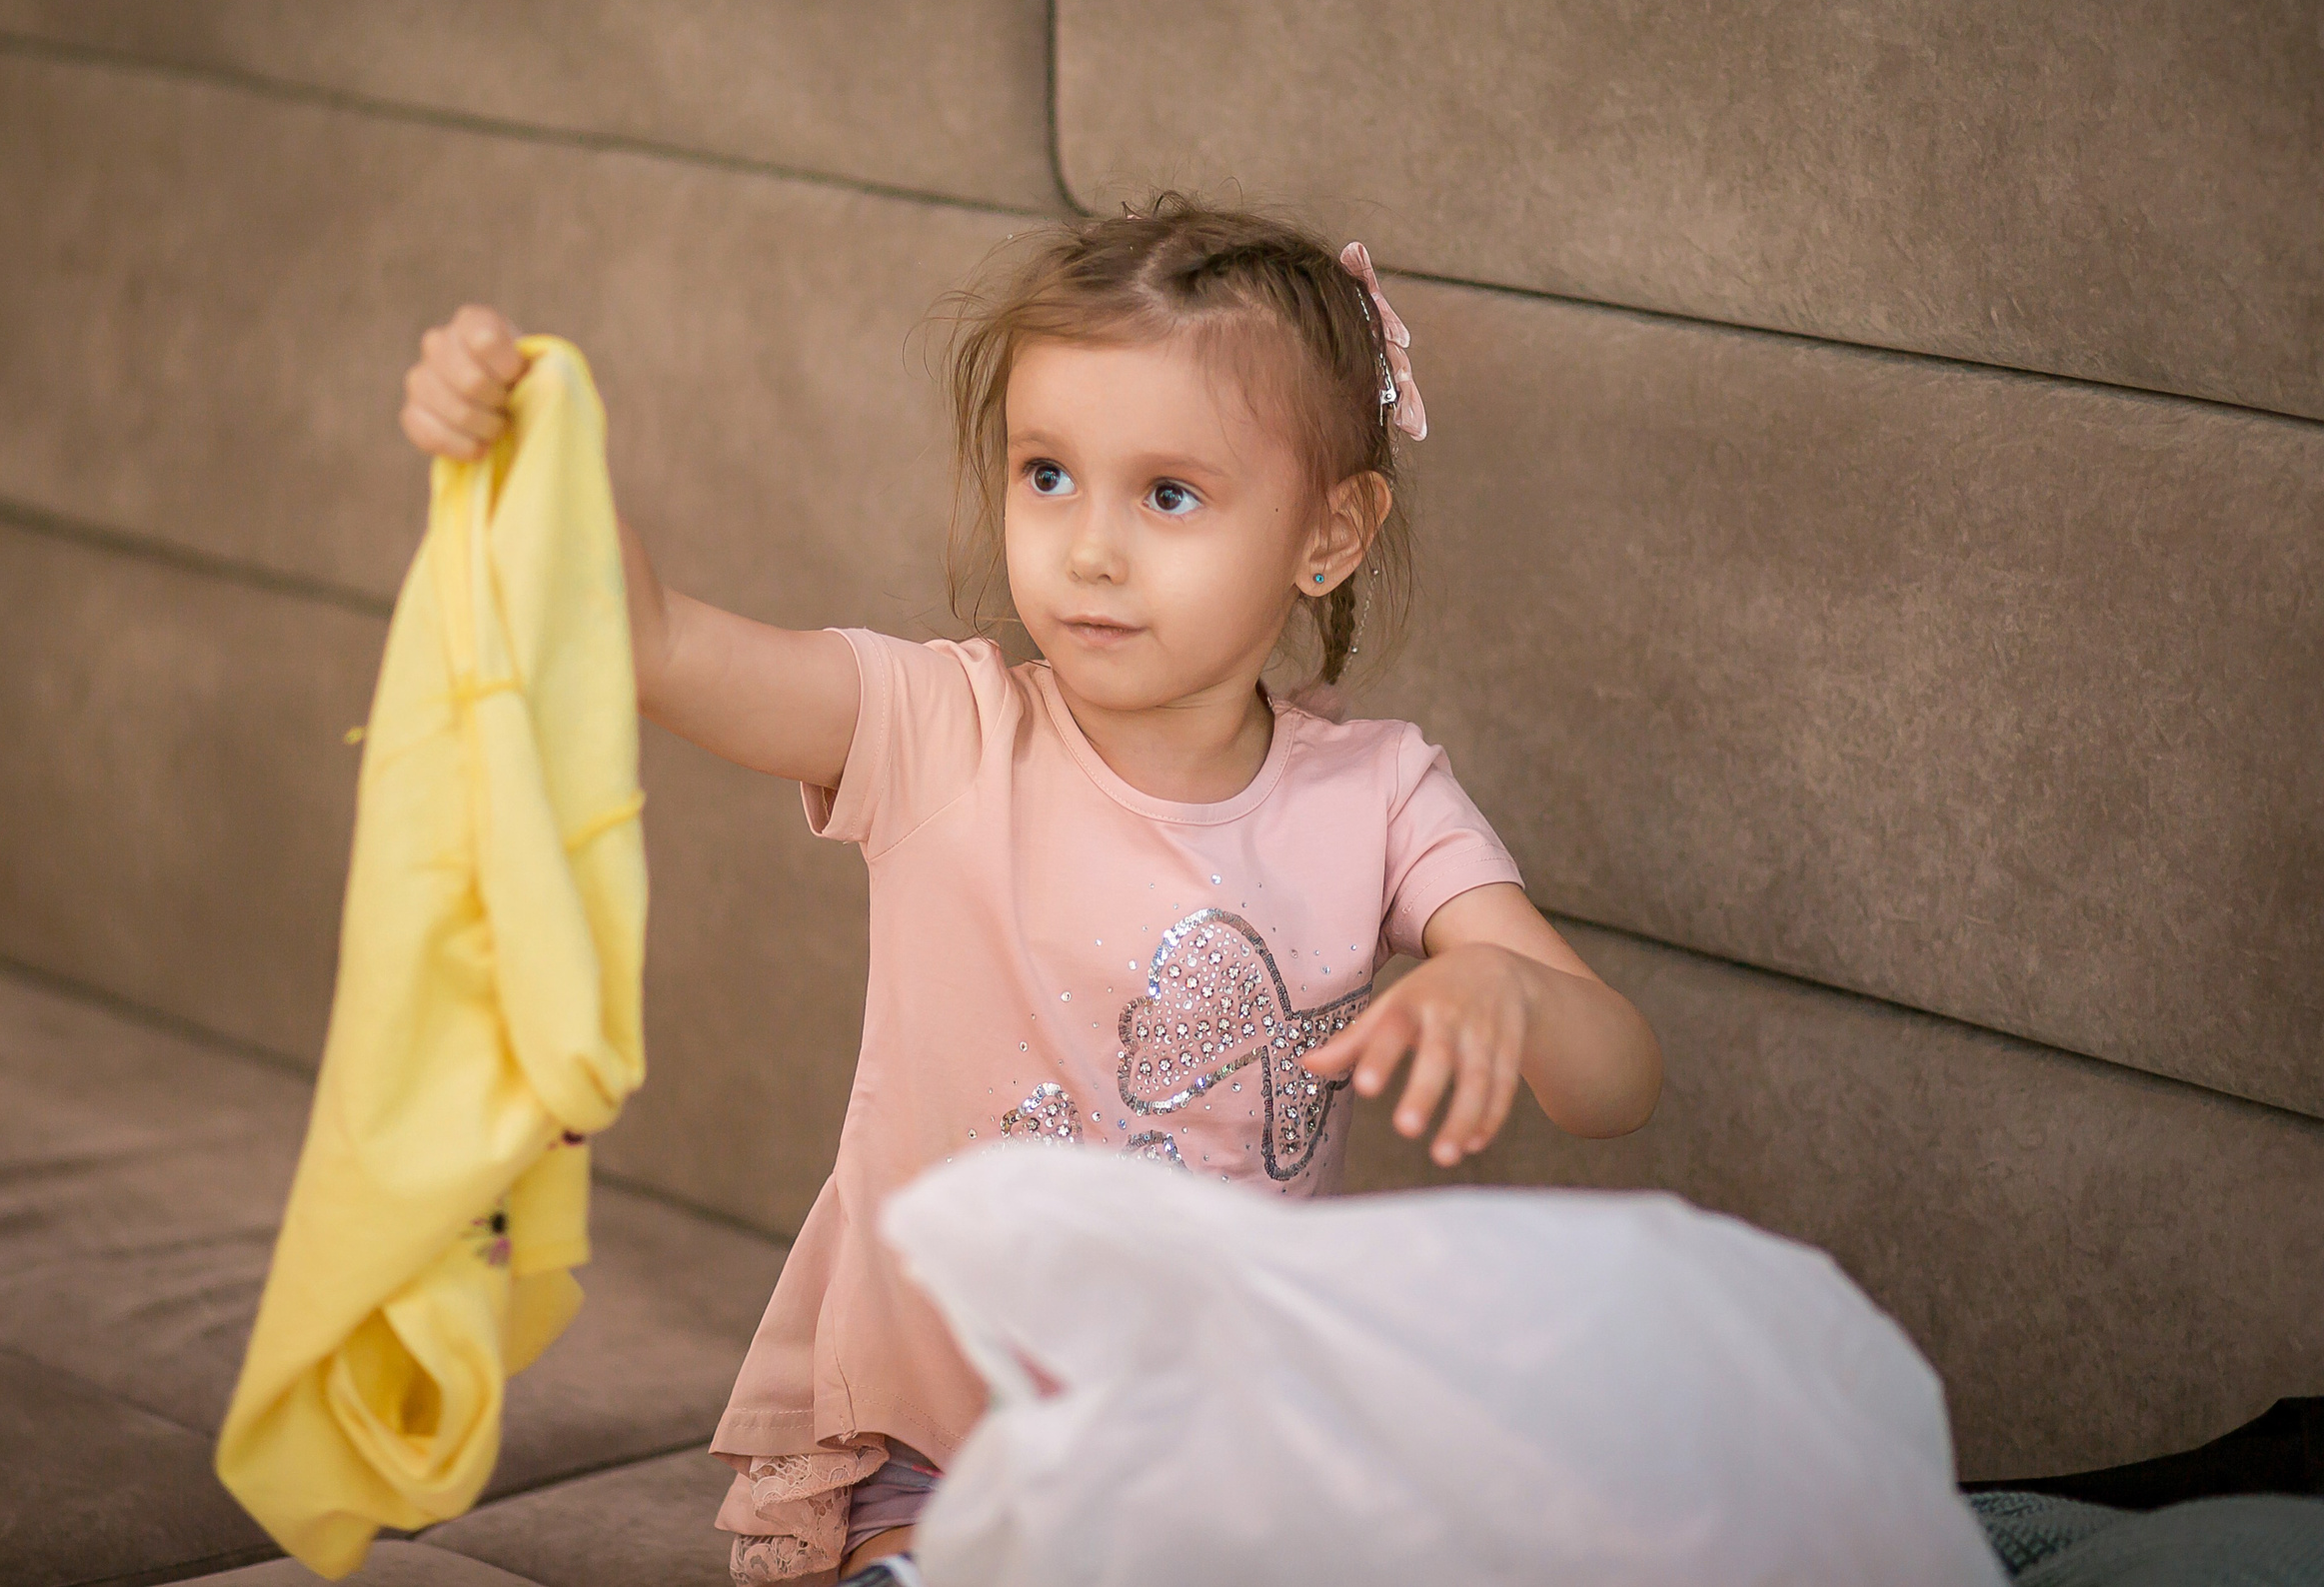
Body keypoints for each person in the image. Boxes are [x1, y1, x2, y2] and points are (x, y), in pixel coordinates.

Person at [399, 192, 1664, 1587]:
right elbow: (646, 642)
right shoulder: (940, 729)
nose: (1090, 547)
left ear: (1328, 535)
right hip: (947, 1452)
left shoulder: (1378, 795)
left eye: (1168, 494)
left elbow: (1615, 1077)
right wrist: (529, 448)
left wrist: (1508, 989)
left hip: (1221, 1473)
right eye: (1047, 473)